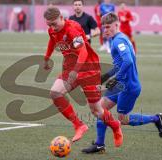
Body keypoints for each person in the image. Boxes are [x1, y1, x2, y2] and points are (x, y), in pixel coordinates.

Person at [82, 12, 162, 153]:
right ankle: (99, 144)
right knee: (100, 109)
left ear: (117, 25)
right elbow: (120, 64)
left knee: (123, 119)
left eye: (108, 27)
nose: (105, 30)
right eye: (104, 27)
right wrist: (106, 76)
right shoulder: (119, 38)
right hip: (120, 85)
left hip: (128, 87)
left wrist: (116, 78)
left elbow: (128, 61)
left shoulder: (118, 41)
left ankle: (156, 118)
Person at [43, 7, 123, 147]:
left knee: (96, 110)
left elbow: (83, 52)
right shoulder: (52, 30)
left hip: (88, 69)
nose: (52, 28)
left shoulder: (72, 29)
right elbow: (52, 40)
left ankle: (115, 126)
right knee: (55, 93)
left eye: (54, 24)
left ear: (62, 18)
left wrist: (76, 71)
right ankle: (79, 125)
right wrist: (46, 58)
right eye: (49, 25)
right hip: (70, 68)